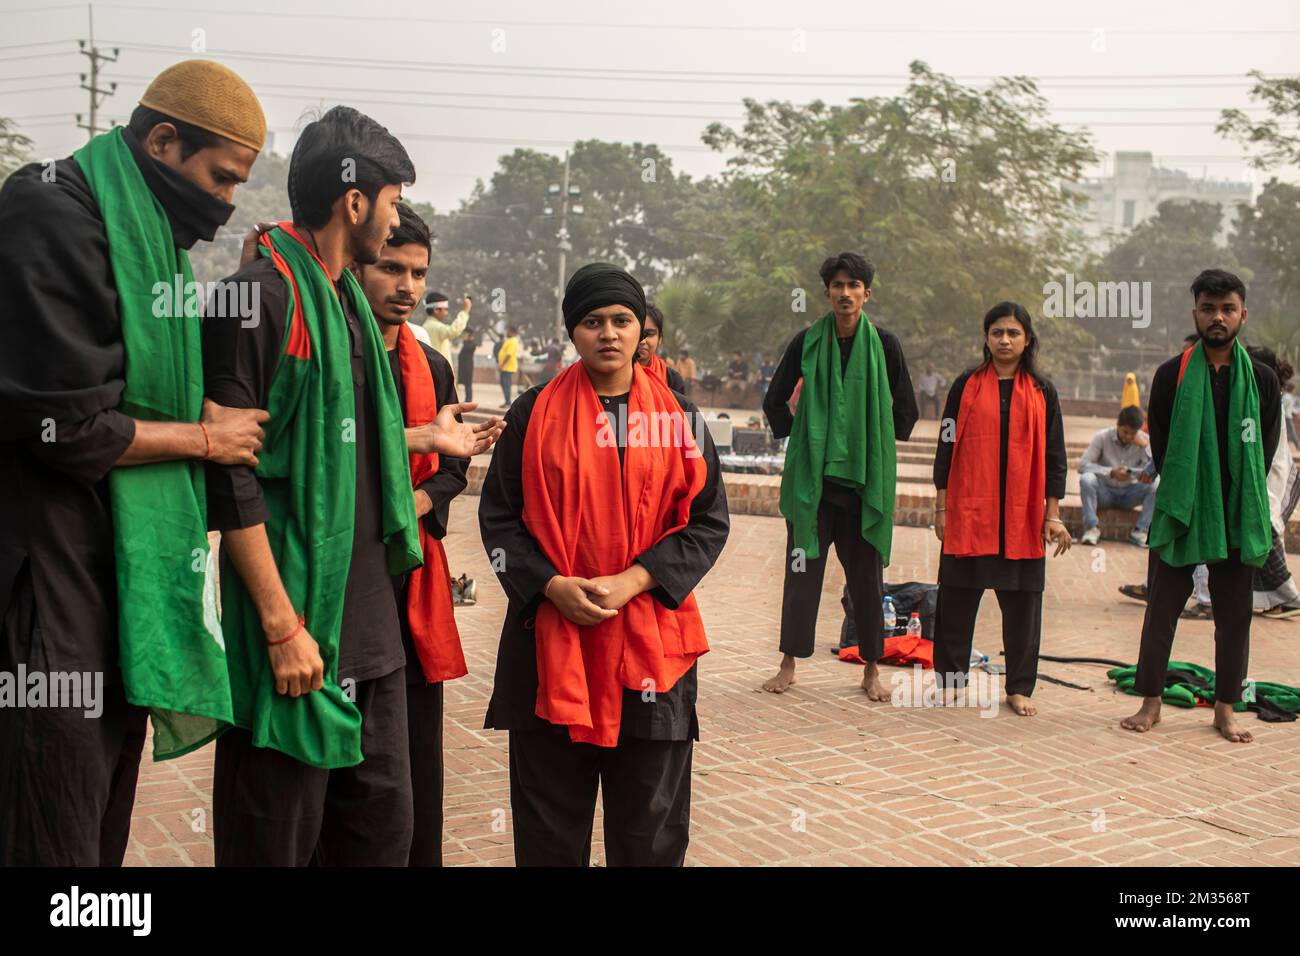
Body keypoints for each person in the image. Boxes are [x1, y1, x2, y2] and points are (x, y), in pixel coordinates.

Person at [203, 105, 500, 866]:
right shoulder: (263, 298)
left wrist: (425, 437)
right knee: (277, 837)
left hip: (370, 632)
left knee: (379, 837)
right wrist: (279, 625)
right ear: (356, 201)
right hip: (297, 628)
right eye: (393, 201)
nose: (397, 219)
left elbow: (328, 442)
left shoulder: (343, 305)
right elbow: (233, 471)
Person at [0, 61, 270, 866]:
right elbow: (65, 423)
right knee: (49, 811)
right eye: (221, 180)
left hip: (115, 575)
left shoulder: (151, 241)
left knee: (100, 811)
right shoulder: (48, 212)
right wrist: (205, 440)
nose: (224, 206)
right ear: (162, 140)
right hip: (43, 582)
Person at [479, 262, 729, 866]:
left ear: (641, 328)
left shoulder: (679, 417)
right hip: (551, 644)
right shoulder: (531, 414)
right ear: (573, 331)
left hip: (651, 655)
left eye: (622, 320)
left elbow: (708, 521)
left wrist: (635, 579)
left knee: (648, 835)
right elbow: (499, 522)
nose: (609, 334)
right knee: (548, 833)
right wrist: (550, 585)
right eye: (593, 321)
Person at [356, 202, 484, 865]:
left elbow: (453, 462)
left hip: (412, 577)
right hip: (347, 573)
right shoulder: (334, 352)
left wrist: (419, 495)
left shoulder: (430, 366)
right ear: (357, 262)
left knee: (413, 744)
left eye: (418, 272)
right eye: (391, 267)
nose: (407, 286)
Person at [1121, 270, 1278, 744]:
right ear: (1196, 313)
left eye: (1227, 308)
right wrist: (1194, 489)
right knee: (1162, 606)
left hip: (1235, 513)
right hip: (1182, 510)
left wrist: (1232, 492)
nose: (1218, 317)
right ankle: (1151, 703)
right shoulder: (1172, 374)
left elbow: (1264, 449)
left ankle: (1225, 709)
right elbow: (1166, 445)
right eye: (1208, 308)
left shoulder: (1263, 381)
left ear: (1242, 314)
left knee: (1234, 616)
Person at [760, 251, 918, 698]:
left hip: (864, 484)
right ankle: (788, 663)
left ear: (867, 293)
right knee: (801, 573)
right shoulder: (807, 340)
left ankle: (872, 668)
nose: (845, 293)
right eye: (838, 285)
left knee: (867, 580)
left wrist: (879, 443)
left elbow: (906, 406)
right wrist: (803, 440)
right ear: (827, 292)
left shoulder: (885, 345)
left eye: (854, 285)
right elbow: (775, 400)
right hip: (814, 484)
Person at [932, 302, 1070, 716]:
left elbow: (1055, 456)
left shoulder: (1043, 391)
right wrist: (942, 508)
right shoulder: (965, 386)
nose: (1004, 340)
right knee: (956, 598)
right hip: (971, 511)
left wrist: (1053, 513)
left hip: (1023, 515)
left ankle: (1019, 687)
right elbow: (946, 444)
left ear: (1027, 339)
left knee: (1023, 603)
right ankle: (951, 680)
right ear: (986, 338)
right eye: (997, 332)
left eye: (1012, 333)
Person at [1245, 346, 1300, 618]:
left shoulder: (1266, 397)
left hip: (1270, 473)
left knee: (1263, 528)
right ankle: (1279, 598)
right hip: (1270, 472)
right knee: (1263, 531)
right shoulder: (1265, 394)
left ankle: (1289, 594)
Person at [1078, 406, 1157, 547]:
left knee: (1156, 485)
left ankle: (1141, 531)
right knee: (1087, 479)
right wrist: (1111, 472)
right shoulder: (1102, 437)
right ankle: (1091, 528)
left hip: (1130, 493)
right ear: (1117, 425)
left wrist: (1145, 447)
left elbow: (1154, 468)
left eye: (1133, 434)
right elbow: (1082, 465)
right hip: (1105, 492)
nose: (1128, 437)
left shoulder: (1145, 442)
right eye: (1125, 431)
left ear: (1138, 431)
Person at [638, 302, 688, 393]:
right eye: (637, 333)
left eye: (649, 334)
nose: (642, 341)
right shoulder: (611, 378)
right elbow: (622, 407)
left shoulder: (673, 381)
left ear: (660, 339)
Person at [422, 292, 471, 364]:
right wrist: (465, 311)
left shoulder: (425, 326)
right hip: (440, 370)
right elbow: (453, 330)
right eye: (445, 309)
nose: (447, 313)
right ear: (436, 310)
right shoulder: (437, 327)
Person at [498, 324, 521, 405]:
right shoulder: (509, 340)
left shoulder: (513, 341)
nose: (506, 332)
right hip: (505, 367)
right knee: (503, 383)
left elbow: (509, 355)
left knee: (506, 385)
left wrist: (501, 365)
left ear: (512, 332)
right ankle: (506, 401)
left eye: (508, 330)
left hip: (508, 367)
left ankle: (508, 402)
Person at [457, 327, 478, 403]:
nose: (464, 335)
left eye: (465, 333)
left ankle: (469, 399)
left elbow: (467, 348)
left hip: (468, 366)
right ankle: (467, 399)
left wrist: (465, 340)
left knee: (468, 383)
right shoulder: (467, 342)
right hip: (464, 366)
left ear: (469, 334)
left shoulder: (473, 343)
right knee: (466, 383)